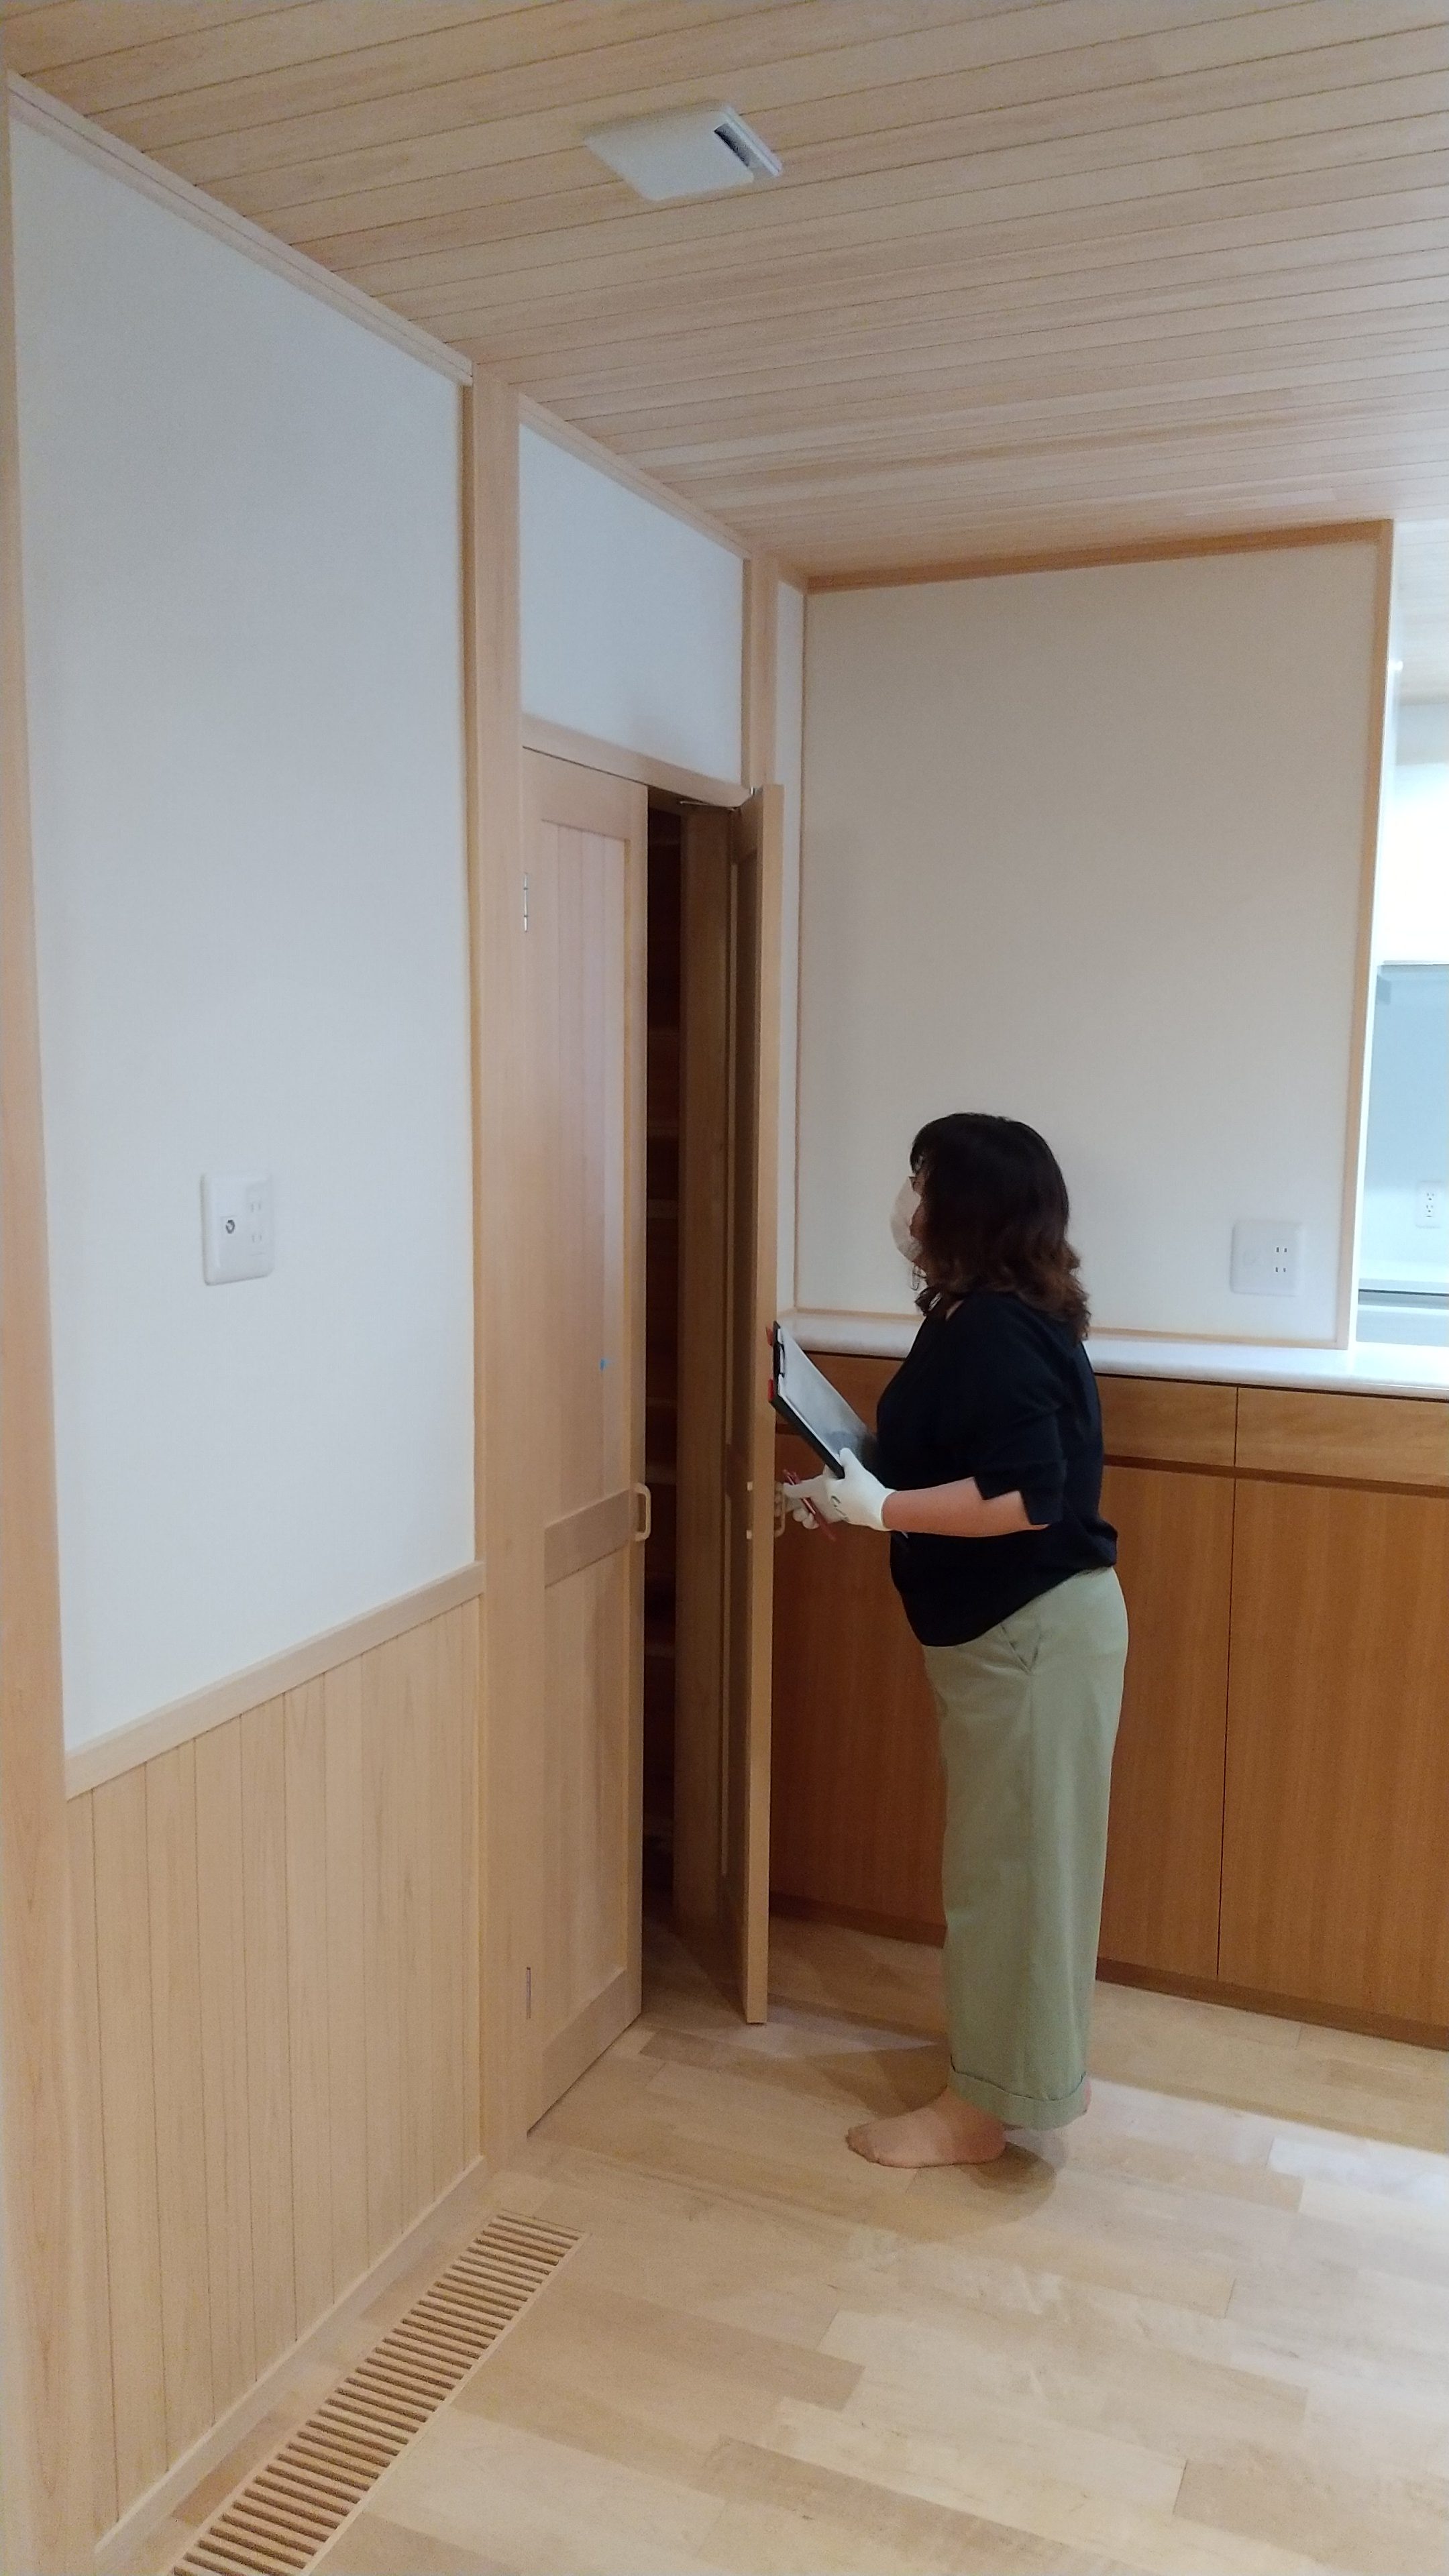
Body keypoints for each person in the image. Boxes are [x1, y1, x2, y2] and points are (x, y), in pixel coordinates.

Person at [788, 1114, 1127, 2168]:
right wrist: (854, 1485)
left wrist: (882, 1511)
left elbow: (1027, 1496)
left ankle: (984, 2112)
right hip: (1025, 1635)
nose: (909, 1202)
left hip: (1030, 1636)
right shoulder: (983, 1316)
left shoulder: (994, 1329)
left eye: (923, 1180)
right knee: (1018, 1871)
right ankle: (1018, 2070)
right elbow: (958, 1453)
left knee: (1012, 1878)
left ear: (965, 1206)